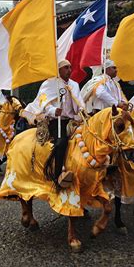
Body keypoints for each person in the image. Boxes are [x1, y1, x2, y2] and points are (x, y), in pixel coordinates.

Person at [22, 60, 85, 189]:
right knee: (61, 143)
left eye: (70, 67)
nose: (69, 70)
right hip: (56, 121)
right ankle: (56, 177)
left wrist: (82, 111)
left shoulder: (74, 84)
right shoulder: (50, 83)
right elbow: (44, 103)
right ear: (59, 70)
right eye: (66, 67)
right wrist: (54, 110)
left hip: (72, 120)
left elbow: (79, 102)